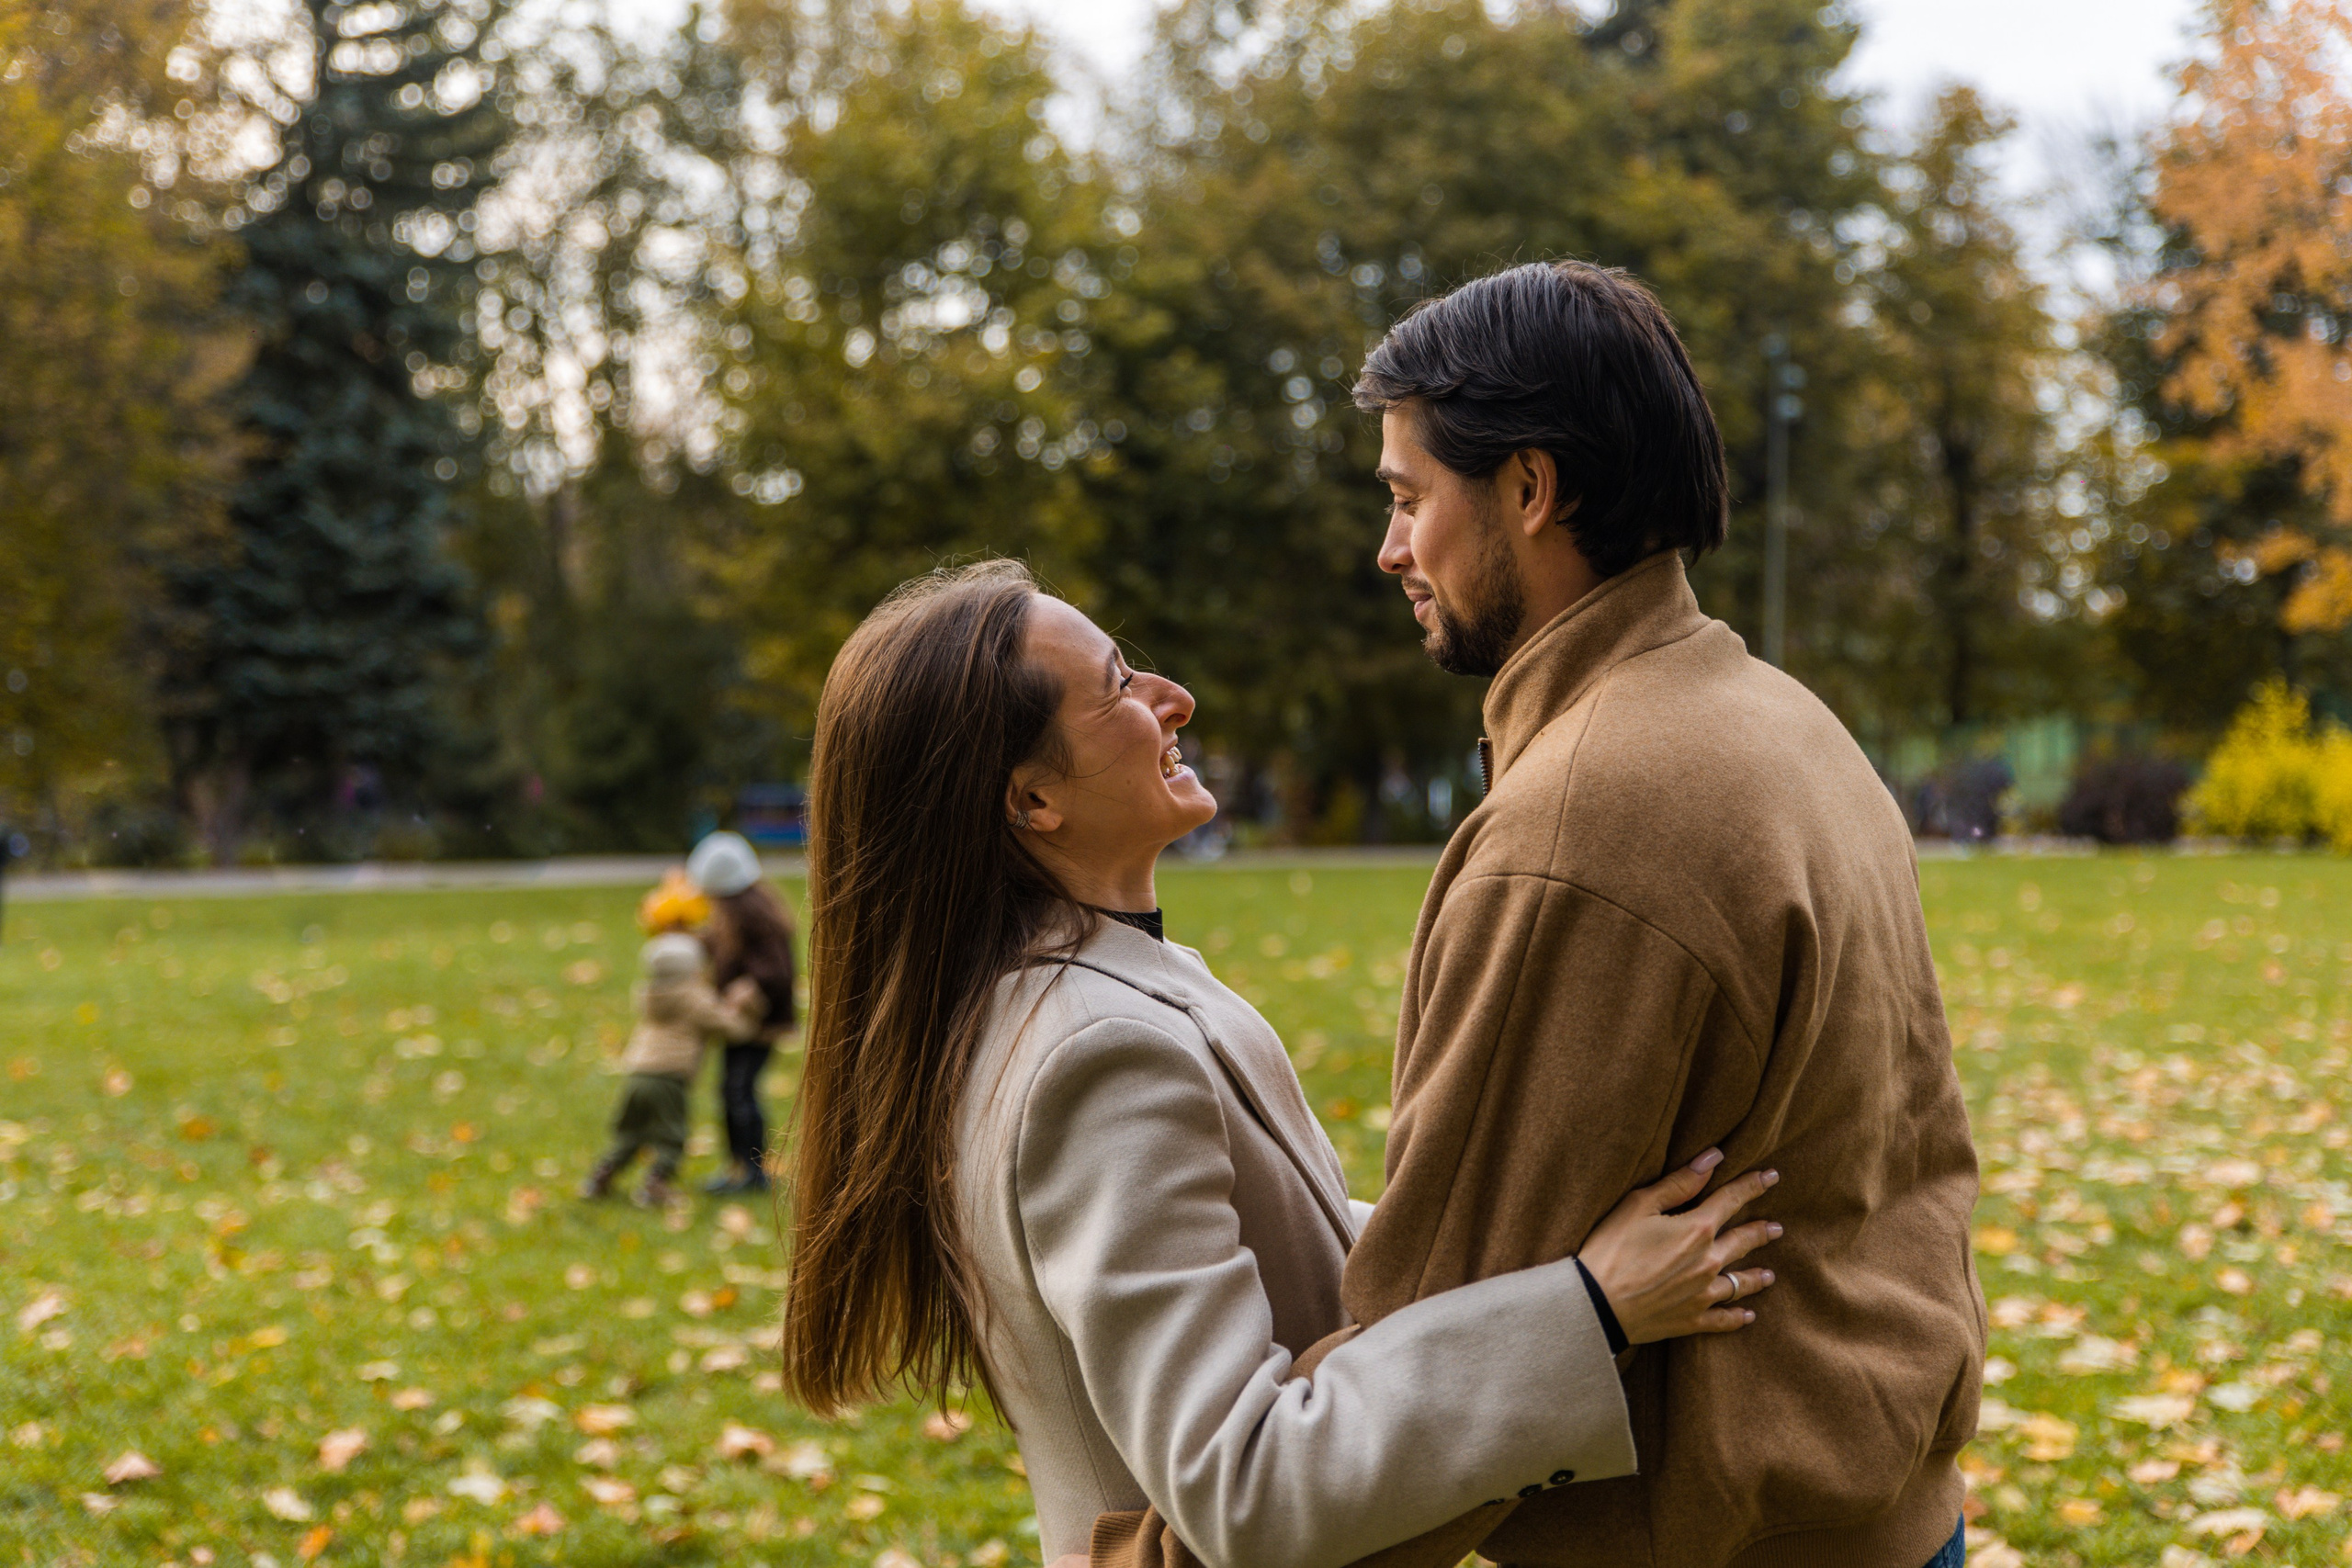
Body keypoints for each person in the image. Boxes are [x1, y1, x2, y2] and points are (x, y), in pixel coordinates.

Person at [775, 561, 1789, 1568]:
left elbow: (1279, 1256)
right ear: (1034, 800)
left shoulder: (1094, 994)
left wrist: (1521, 1223)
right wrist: (1589, 1311)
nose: (1176, 699)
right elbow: (1245, 1487)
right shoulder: (1098, 1055)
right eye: (1121, 687)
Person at [581, 931, 765, 1208]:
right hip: (669, 1077)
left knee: (630, 1131)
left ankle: (599, 1178)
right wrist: (749, 1007)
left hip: (636, 1073)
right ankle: (655, 1186)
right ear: (694, 969)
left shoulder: (650, 994)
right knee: (671, 1135)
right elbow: (734, 1030)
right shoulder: (694, 999)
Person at [685, 830, 799, 1195]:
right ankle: (740, 1166)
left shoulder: (753, 914)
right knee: (731, 1089)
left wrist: (748, 985)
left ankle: (752, 1171)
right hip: (741, 1025)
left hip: (758, 1024)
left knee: (739, 1089)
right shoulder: (735, 912)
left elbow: (777, 970)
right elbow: (724, 948)